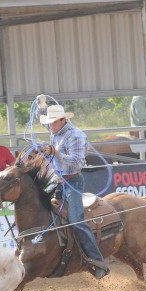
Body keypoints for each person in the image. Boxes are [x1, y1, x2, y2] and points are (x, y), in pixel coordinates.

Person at [38, 103, 108, 279]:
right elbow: (43, 121)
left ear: (63, 120)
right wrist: (42, 105)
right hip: (57, 180)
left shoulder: (75, 136)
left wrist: (56, 153)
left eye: (53, 122)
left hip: (73, 181)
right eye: (49, 123)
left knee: (76, 220)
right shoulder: (56, 129)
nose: (50, 126)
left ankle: (97, 261)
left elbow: (77, 162)